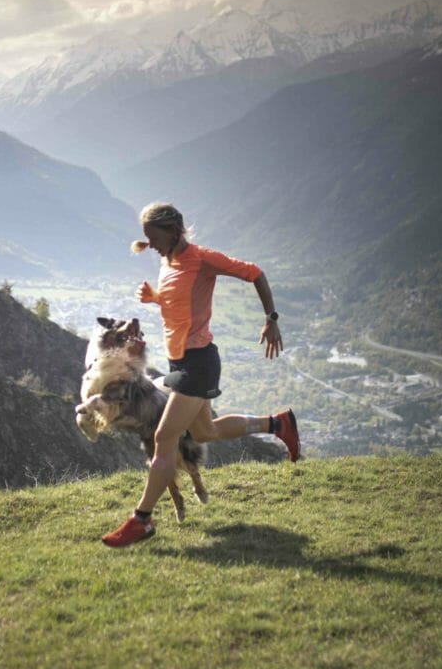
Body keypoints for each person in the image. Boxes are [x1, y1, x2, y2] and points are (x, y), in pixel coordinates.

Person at [102, 201, 300, 548]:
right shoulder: (167, 261)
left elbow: (255, 273)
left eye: (154, 238)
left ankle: (141, 521)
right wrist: (156, 298)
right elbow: (181, 302)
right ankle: (277, 424)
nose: (151, 246)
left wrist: (271, 319)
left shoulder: (202, 258)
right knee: (205, 431)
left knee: (164, 436)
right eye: (147, 239)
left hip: (199, 363)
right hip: (180, 362)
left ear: (173, 231)